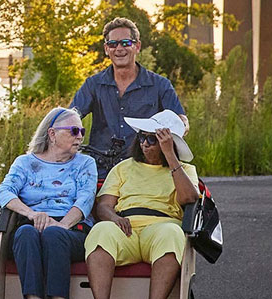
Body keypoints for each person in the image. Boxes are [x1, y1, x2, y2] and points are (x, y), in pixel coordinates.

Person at [84, 110, 199, 299]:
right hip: (125, 228)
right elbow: (104, 206)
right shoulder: (123, 168)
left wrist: (171, 158)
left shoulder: (184, 170)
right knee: (100, 231)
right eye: (142, 137)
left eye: (152, 139)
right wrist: (113, 217)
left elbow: (189, 198)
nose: (145, 143)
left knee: (172, 233)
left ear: (169, 144)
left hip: (161, 227)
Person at [0, 107, 98, 299]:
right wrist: (32, 214)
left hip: (72, 228)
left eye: (82, 130)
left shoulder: (85, 163)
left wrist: (61, 226)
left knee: (53, 235)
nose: (79, 136)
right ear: (52, 134)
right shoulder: (25, 162)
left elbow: (85, 200)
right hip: (34, 223)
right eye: (73, 130)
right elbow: (3, 193)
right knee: (24, 233)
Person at [70, 17, 189, 188]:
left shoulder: (160, 85)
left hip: (143, 167)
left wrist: (179, 127)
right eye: (113, 44)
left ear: (137, 46)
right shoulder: (93, 84)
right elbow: (71, 116)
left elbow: (181, 119)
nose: (119, 48)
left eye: (126, 43)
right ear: (106, 49)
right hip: (99, 170)